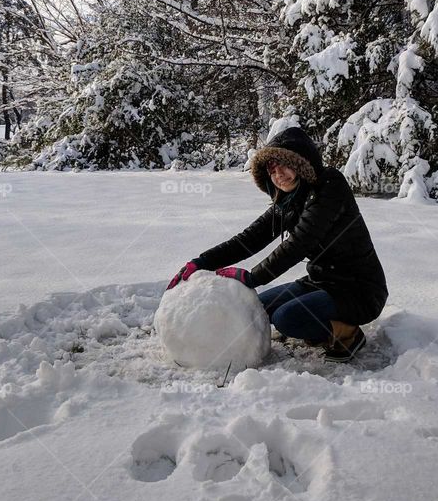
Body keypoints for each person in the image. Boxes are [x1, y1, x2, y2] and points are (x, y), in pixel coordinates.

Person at [166, 125, 388, 362]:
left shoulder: (330, 186)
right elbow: (248, 239)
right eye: (272, 169)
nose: (278, 174)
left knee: (287, 319)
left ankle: (348, 335)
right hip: (320, 282)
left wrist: (252, 277)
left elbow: (300, 242)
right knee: (257, 308)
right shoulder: (289, 202)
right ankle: (318, 322)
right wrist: (200, 263)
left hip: (359, 290)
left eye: (285, 165)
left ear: (302, 163)